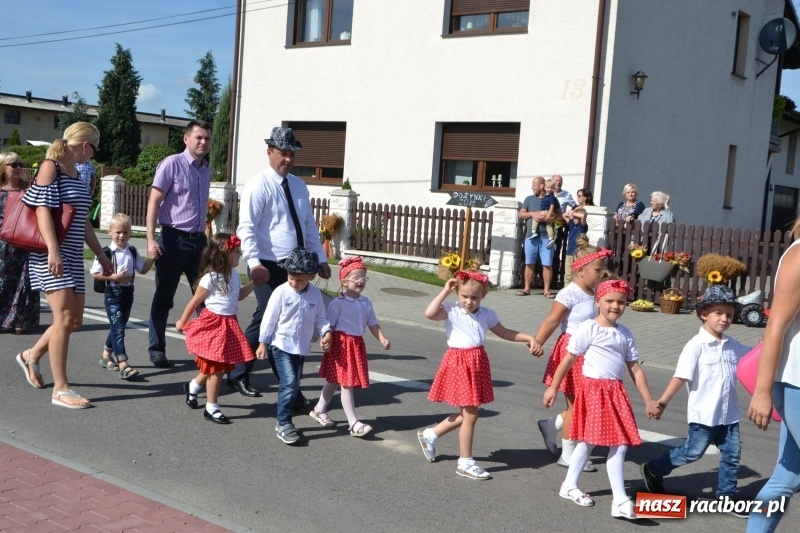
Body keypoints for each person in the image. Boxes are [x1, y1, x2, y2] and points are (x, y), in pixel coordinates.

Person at [544, 279, 661, 519]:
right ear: (598, 302)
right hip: (593, 391)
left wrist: (649, 400)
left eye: (621, 302)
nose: (615, 306)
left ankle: (585, 490)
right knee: (592, 442)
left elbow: (635, 369)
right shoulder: (588, 328)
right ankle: (612, 497)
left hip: (615, 392)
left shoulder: (625, 333)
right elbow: (568, 360)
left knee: (615, 444)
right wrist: (553, 388)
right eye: (609, 301)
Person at [14, 122, 112, 408]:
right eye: (94, 148)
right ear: (84, 145)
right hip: (50, 256)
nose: (93, 155)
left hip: (71, 256)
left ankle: (30, 355)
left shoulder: (77, 173)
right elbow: (42, 210)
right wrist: (53, 250)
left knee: (73, 322)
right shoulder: (50, 167)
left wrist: (101, 255)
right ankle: (61, 389)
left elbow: (82, 222)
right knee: (64, 319)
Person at [235, 126, 331, 402]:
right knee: (275, 322)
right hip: (266, 264)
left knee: (262, 321)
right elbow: (247, 228)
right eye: (282, 153)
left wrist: (320, 259)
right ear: (269, 152)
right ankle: (293, 391)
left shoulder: (300, 186)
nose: (287, 159)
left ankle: (238, 372)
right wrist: (254, 264)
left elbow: (309, 227)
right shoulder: (257, 185)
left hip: (295, 266)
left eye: (291, 154)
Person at [417, 270, 541, 480]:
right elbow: (429, 313)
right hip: (458, 363)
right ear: (457, 293)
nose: (469, 301)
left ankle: (430, 434)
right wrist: (445, 291)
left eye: (474, 297)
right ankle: (465, 462)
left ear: (483, 295)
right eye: (464, 296)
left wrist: (528, 337)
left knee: (468, 414)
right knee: (471, 415)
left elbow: (504, 332)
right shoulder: (451, 310)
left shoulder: (487, 314)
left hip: (477, 363)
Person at [640, 285, 750, 511]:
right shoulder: (695, 346)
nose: (724, 319)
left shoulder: (733, 346)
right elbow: (680, 377)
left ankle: (726, 498)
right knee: (692, 452)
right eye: (718, 313)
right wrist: (662, 401)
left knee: (732, 455)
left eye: (729, 314)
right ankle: (653, 468)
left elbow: (755, 357)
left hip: (729, 415)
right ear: (704, 314)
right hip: (704, 415)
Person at [745, 217, 800, 532]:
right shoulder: (799, 255)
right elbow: (776, 325)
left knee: (786, 476)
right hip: (796, 383)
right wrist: (762, 391)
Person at [536, 242, 611, 472]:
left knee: (581, 404)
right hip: (572, 352)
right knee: (577, 405)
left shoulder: (595, 292)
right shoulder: (570, 292)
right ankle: (567, 455)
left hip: (591, 352)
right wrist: (538, 340)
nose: (601, 274)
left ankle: (551, 425)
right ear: (581, 271)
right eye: (597, 270)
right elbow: (552, 320)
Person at [146, 120, 212, 369]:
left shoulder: (206, 169)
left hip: (199, 242)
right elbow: (153, 202)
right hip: (173, 240)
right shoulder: (171, 164)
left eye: (207, 138)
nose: (203, 142)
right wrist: (151, 240)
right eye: (198, 137)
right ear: (186, 139)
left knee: (205, 298)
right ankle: (157, 349)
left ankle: (205, 349)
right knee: (165, 296)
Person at [176, 233, 257, 425]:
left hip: (229, 323)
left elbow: (239, 296)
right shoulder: (211, 278)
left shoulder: (235, 275)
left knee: (217, 364)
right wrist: (182, 320)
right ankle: (211, 407)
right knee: (217, 368)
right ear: (224, 254)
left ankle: (193, 387)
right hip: (213, 324)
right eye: (237, 252)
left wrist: (254, 283)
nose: (241, 255)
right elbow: (195, 300)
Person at [257, 247, 332, 445]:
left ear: (311, 276)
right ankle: (283, 423)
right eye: (291, 277)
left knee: (294, 384)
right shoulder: (281, 292)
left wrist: (327, 332)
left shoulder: (315, 294)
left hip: (301, 347)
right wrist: (263, 342)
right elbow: (269, 319)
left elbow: (321, 317)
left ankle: (285, 418)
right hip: (280, 345)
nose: (294, 283)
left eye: (299, 280)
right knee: (289, 383)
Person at [312, 256, 390, 437]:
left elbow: (372, 324)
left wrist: (382, 338)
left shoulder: (366, 303)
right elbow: (328, 325)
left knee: (334, 381)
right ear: (344, 280)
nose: (360, 281)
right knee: (346, 384)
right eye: (356, 277)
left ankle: (319, 409)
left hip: (356, 345)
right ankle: (353, 423)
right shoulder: (337, 303)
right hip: (340, 345)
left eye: (363, 277)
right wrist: (326, 339)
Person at [89, 213, 154, 380]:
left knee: (119, 326)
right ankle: (123, 363)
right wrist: (114, 277)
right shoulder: (106, 252)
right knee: (118, 329)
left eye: (125, 232)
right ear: (110, 232)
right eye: (118, 232)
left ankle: (105, 356)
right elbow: (95, 274)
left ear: (130, 233)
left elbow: (143, 269)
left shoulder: (132, 250)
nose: (121, 236)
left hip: (128, 293)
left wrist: (152, 259)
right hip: (113, 294)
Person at [0, 151, 39, 334]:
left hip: (24, 241)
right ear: (2, 167)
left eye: (19, 164)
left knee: (25, 281)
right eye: (13, 164)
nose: (17, 168)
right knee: (3, 280)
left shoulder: (29, 188)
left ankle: (19, 320)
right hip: (2, 244)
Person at [518, 176, 561, 298]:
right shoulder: (529, 199)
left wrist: (551, 218)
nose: (532, 187)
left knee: (547, 264)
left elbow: (560, 215)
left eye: (534, 185)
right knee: (529, 263)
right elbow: (521, 214)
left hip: (546, 237)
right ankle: (527, 288)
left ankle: (547, 290)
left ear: (542, 186)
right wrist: (533, 214)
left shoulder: (552, 198)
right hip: (530, 237)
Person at [563, 208, 589, 286]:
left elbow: (583, 216)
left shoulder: (582, 226)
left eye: (576, 218)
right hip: (569, 253)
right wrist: (570, 214)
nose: (574, 219)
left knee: (577, 273)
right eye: (574, 218)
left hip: (579, 254)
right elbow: (563, 215)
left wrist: (573, 213)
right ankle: (566, 291)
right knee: (568, 275)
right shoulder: (571, 224)